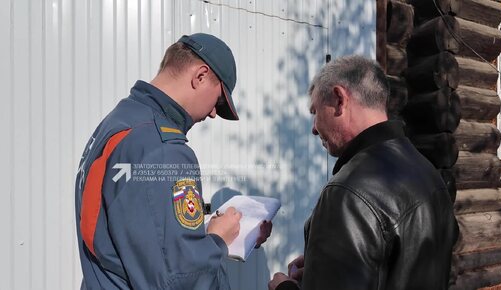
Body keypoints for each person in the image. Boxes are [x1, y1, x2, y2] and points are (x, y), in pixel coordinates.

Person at [75, 33, 271, 290]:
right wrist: (217, 240)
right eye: (219, 101)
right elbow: (177, 279)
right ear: (200, 76)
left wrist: (214, 234)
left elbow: (145, 240)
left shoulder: (119, 123)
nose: (213, 113)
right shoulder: (162, 148)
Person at [268, 56, 459, 290]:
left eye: (315, 111)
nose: (314, 129)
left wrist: (283, 288)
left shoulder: (348, 192)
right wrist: (325, 268)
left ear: (339, 100)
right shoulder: (428, 172)